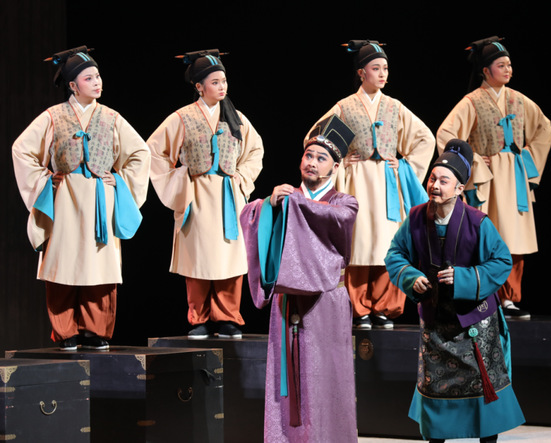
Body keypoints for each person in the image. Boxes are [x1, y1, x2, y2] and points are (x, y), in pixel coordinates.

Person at [11, 46, 151, 351]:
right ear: (73, 85)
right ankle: (66, 331)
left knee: (99, 263)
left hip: (100, 196)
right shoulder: (53, 116)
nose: (97, 82)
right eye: (89, 78)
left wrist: (120, 181)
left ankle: (95, 330)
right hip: (66, 197)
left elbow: (140, 152)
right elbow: (21, 149)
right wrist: (45, 179)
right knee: (63, 261)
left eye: (98, 76)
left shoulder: (111, 118)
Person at [385, 139, 525, 443]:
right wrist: (411, 277)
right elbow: (395, 255)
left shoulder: (477, 222)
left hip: (474, 321)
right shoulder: (416, 218)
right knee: (436, 386)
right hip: (435, 322)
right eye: (432, 178)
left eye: (443, 181)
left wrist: (465, 278)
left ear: (460, 188)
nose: (435, 185)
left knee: (482, 387)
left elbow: (502, 261)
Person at [240, 115, 359, 442]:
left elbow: (335, 218)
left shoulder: (344, 202)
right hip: (288, 298)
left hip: (326, 302)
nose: (312, 163)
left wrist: (295, 203)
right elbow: (250, 215)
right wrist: (268, 205)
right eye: (308, 155)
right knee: (288, 372)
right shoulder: (286, 196)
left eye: (321, 158)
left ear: (335, 167)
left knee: (327, 374)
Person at [307, 39, 435, 330]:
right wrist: (339, 160)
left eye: (385, 68)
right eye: (376, 68)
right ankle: (358, 308)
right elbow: (315, 138)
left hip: (387, 182)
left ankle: (384, 307)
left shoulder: (394, 106)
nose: (382, 74)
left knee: (388, 243)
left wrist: (405, 165)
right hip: (358, 181)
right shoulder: (345, 106)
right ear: (361, 72)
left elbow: (424, 138)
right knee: (359, 243)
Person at [147, 49, 264, 339]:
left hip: (228, 195)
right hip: (197, 194)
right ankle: (198, 317)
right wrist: (179, 178)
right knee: (197, 257)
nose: (222, 87)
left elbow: (255, 150)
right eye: (215, 82)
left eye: (224, 81)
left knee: (229, 256)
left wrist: (242, 178)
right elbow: (154, 151)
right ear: (199, 86)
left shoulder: (236, 118)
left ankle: (228, 317)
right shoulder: (182, 117)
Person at [436, 36, 551, 320]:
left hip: (514, 178)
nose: (508, 69)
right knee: (487, 238)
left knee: (515, 239)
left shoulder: (519, 100)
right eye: (501, 65)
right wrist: (473, 160)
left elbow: (544, 129)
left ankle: (510, 298)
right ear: (486, 70)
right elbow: (446, 134)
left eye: (509, 64)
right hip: (488, 180)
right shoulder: (472, 101)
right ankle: (485, 296)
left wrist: (526, 158)